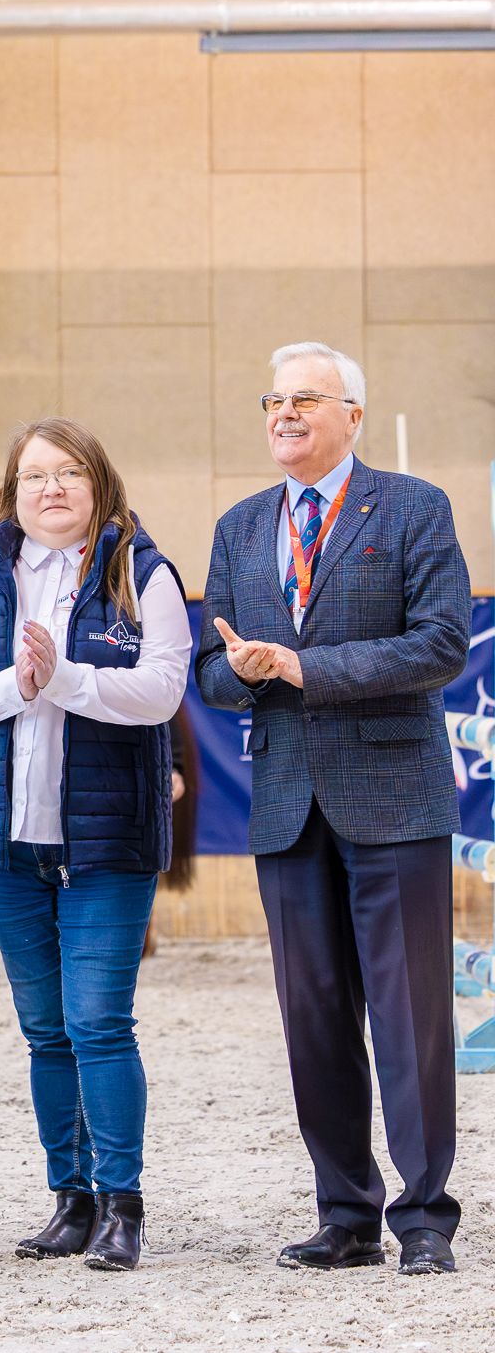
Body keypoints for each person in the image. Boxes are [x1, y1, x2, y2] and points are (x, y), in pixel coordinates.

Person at [197, 342, 468, 1277]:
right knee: (312, 1018)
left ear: (352, 413)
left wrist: (308, 667)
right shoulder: (238, 528)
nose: (284, 413)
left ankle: (425, 1216)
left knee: (408, 1015)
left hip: (394, 799)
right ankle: (345, 1212)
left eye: (305, 399)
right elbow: (208, 668)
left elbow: (441, 643)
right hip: (285, 806)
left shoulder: (414, 508)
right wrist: (235, 671)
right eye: (273, 399)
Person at [0, 419, 188, 1273]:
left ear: (99, 484)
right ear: (12, 490)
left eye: (70, 473)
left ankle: (121, 1205)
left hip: (108, 840)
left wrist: (63, 679)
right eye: (34, 476)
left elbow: (161, 689)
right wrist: (13, 684)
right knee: (44, 1032)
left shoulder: (142, 570)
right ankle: (68, 1198)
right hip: (6, 840)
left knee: (98, 1022)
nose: (52, 488)